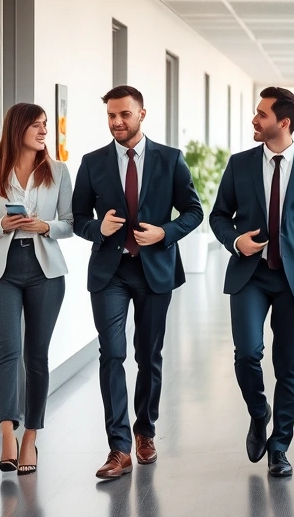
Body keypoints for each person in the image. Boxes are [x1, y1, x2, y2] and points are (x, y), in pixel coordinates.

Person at [72, 85, 203, 480]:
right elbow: (78, 218)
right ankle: (118, 447)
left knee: (149, 355)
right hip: (110, 272)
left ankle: (144, 431)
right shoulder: (92, 162)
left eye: (124, 115)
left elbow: (194, 211)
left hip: (154, 270)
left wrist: (165, 233)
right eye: (111, 116)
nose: (116, 122)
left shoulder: (170, 159)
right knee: (112, 353)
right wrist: (99, 227)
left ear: (141, 114)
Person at [209, 87, 294, 477]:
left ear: (283, 123)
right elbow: (218, 216)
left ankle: (280, 446)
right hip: (250, 275)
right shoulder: (239, 164)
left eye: (261, 114)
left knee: (288, 366)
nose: (255, 120)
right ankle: (258, 411)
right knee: (247, 354)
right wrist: (236, 240)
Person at [0, 102, 73, 476]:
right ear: (18, 130)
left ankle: (31, 436)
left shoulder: (58, 170)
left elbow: (71, 222)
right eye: (37, 125)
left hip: (46, 272)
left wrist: (45, 227)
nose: (44, 131)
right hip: (3, 273)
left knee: (37, 357)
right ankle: (7, 434)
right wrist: (4, 223)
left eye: (46, 125)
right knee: (7, 353)